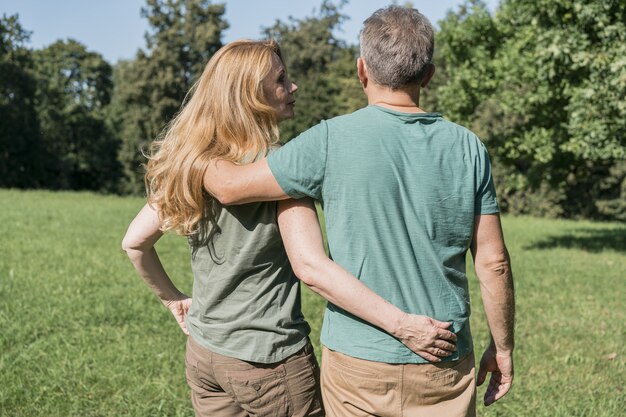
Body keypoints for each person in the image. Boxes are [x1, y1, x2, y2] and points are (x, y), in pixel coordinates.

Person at [202, 7, 516, 417]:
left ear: (362, 70)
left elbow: (228, 186)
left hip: (357, 361)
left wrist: (190, 148)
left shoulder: (328, 140)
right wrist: (503, 347)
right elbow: (493, 264)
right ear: (429, 74)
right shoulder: (469, 147)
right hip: (444, 358)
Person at [122, 39, 458, 417]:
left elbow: (134, 243)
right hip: (270, 362)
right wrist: (403, 325)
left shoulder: (192, 163)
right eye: (281, 79)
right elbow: (312, 267)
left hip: (205, 356)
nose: (293, 87)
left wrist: (172, 299)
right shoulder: (282, 170)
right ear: (251, 94)